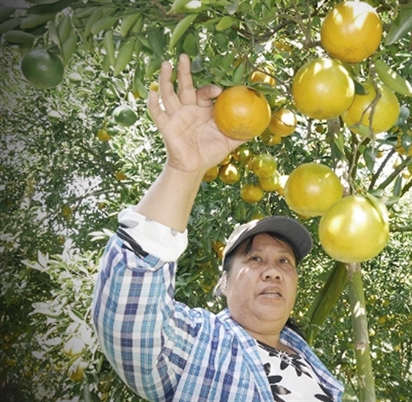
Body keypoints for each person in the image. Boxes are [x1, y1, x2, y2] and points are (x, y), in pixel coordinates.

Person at [91, 53, 344, 402]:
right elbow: (129, 325)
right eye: (254, 260)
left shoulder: (312, 365)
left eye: (284, 261)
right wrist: (183, 169)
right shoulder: (203, 345)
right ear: (223, 283)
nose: (273, 271)